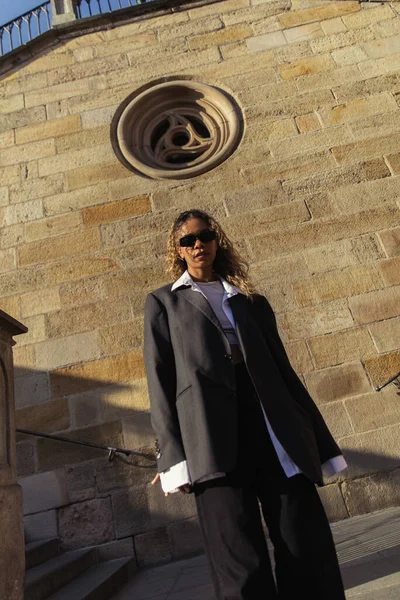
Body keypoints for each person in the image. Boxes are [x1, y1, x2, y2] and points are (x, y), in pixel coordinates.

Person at [144, 208, 347, 600]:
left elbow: (286, 376)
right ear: (178, 250)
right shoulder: (164, 304)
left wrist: (321, 442)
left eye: (204, 236)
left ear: (217, 241)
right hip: (210, 435)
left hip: (272, 425)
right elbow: (161, 382)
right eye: (188, 240)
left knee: (302, 539)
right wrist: (171, 456)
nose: (197, 244)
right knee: (237, 553)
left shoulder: (251, 302)